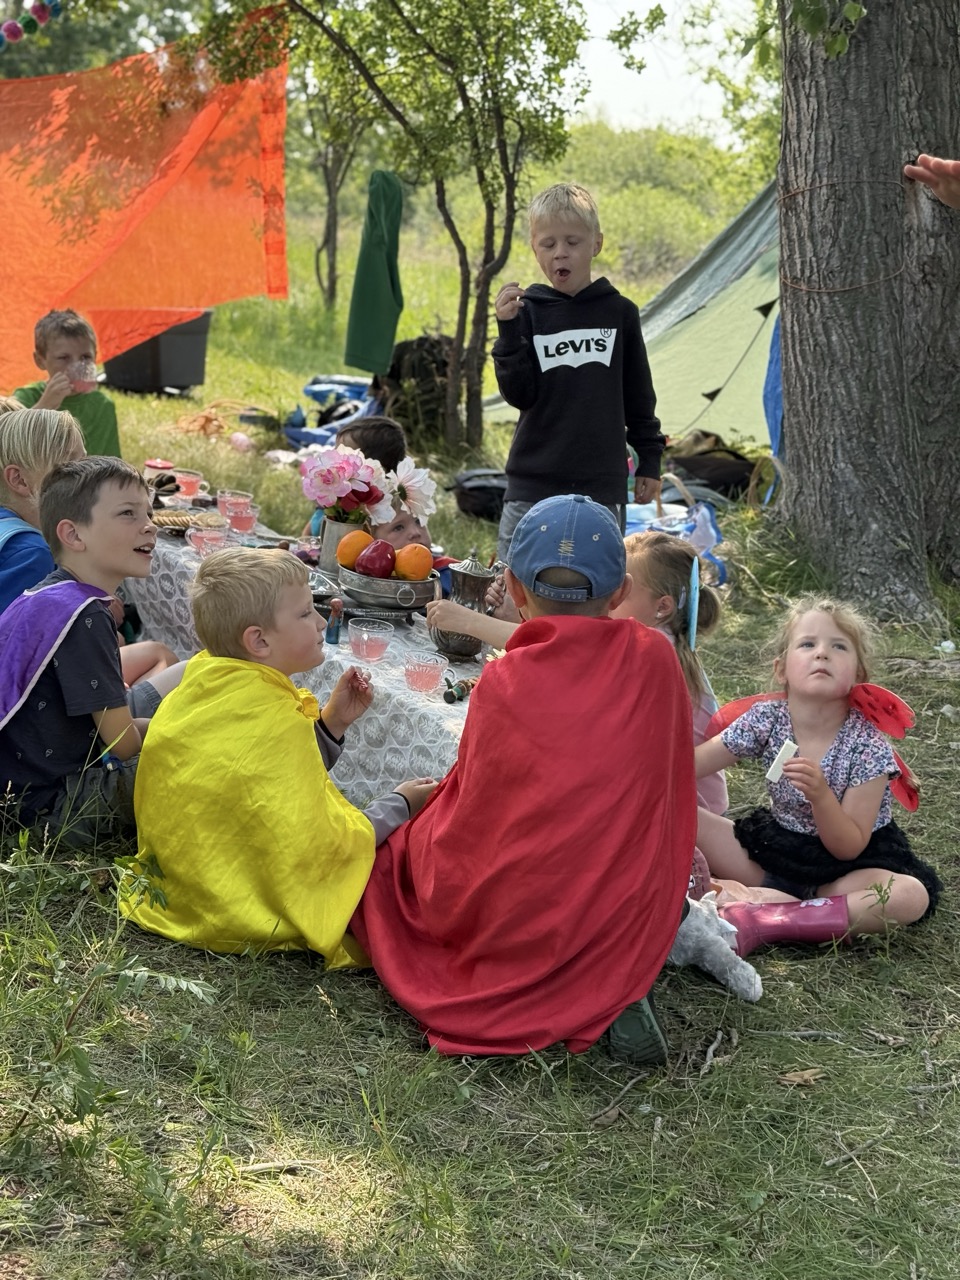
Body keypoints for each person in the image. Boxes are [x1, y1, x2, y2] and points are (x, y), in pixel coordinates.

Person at [352, 494, 697, 1063]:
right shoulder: (656, 659)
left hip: (527, 910)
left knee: (399, 858)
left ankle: (589, 982)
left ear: (513, 589)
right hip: (623, 898)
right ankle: (616, 980)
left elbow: (475, 817)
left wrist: (416, 815)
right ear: (619, 594)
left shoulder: (505, 681)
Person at [122, 547, 435, 963]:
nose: (322, 621)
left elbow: (269, 779)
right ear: (259, 640)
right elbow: (322, 844)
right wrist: (399, 805)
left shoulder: (201, 681)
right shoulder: (274, 716)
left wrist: (332, 723)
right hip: (230, 907)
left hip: (175, 888)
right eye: (306, 613)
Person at [694, 596, 941, 956]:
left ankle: (770, 918)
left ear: (858, 675)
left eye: (838, 646)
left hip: (845, 873)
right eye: (808, 644)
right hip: (775, 854)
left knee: (908, 896)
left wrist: (821, 796)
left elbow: (849, 845)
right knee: (678, 813)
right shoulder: (767, 718)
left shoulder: (868, 745)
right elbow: (685, 768)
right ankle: (780, 903)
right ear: (781, 669)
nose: (822, 653)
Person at [0, 458, 184, 845]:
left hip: (40, 770)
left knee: (193, 670)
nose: (149, 525)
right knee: (200, 753)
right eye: (128, 513)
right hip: (48, 810)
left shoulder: (50, 593)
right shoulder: (85, 616)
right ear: (73, 534)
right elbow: (124, 745)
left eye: (149, 513)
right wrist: (182, 730)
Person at [492, 183, 664, 560]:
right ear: (535, 248)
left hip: (600, 487)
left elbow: (639, 395)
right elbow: (519, 395)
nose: (560, 252)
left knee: (596, 582)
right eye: (548, 244)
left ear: (596, 244)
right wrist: (508, 332)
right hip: (532, 485)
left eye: (572, 241)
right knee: (512, 583)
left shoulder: (620, 313)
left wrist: (650, 460)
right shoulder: (527, 313)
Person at [0, 407, 179, 683]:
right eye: (69, 468)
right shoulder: (31, 553)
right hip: (34, 695)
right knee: (163, 658)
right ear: (19, 479)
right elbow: (22, 653)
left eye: (84, 461)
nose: (87, 476)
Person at [13, 310, 122, 458]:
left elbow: (112, 462)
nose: (77, 366)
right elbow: (10, 447)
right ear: (40, 360)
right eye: (64, 358)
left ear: (95, 356)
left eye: (85, 357)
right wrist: (45, 405)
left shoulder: (103, 406)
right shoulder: (25, 398)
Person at [305, 417, 407, 536]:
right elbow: (308, 532)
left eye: (345, 454)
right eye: (336, 450)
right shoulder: (332, 495)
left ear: (371, 469)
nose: (336, 459)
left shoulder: (373, 514)